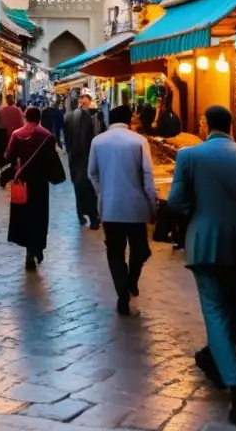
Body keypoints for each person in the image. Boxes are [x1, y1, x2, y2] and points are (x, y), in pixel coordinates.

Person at [167, 105, 236, 426]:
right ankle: (212, 358)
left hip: (204, 242)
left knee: (215, 311)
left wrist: (197, 206)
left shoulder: (188, 156)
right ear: (231, 126)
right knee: (231, 308)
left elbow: (175, 201)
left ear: (204, 124)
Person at [87, 105, 157, 316]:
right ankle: (131, 280)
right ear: (129, 119)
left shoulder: (98, 141)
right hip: (136, 207)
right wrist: (153, 205)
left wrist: (103, 191)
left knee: (115, 251)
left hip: (110, 207)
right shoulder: (138, 141)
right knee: (140, 249)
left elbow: (92, 173)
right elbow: (147, 176)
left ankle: (122, 293)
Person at [1, 106, 66, 269]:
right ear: (39, 119)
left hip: (22, 183)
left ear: (25, 117)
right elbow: (52, 161)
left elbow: (8, 155)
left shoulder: (17, 134)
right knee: (39, 216)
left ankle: (29, 251)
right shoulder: (46, 136)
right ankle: (35, 248)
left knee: (23, 217)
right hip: (40, 184)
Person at [63, 89, 102, 229]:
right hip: (86, 158)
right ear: (88, 103)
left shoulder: (67, 116)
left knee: (78, 188)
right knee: (90, 188)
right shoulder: (87, 117)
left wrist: (70, 152)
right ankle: (93, 217)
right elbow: (88, 139)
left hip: (73, 159)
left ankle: (80, 215)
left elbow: (66, 140)